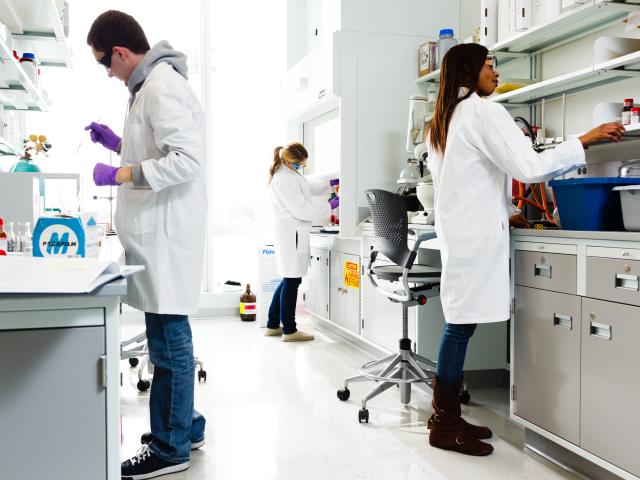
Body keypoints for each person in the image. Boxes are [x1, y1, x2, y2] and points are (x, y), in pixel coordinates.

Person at [425, 43, 623, 456]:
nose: (495, 72)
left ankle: (447, 417)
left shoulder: (443, 119)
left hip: (463, 233)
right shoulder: (482, 112)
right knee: (460, 326)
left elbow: (472, 178)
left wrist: (509, 210)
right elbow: (527, 168)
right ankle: (443, 423)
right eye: (489, 65)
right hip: (475, 237)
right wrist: (582, 141)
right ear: (470, 70)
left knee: (459, 322)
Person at [85, 11, 208, 479]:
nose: (108, 73)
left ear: (120, 52)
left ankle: (170, 448)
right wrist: (116, 143)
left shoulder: (161, 86)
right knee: (167, 338)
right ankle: (186, 426)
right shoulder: (147, 89)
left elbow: (186, 161)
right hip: (154, 238)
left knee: (170, 343)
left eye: (105, 63)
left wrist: (119, 172)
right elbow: (152, 148)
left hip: (167, 239)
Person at [266, 143, 337, 341]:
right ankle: (289, 330)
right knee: (292, 280)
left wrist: (331, 183)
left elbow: (307, 187)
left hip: (291, 233)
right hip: (292, 233)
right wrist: (329, 205)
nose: (301, 168)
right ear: (289, 162)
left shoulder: (288, 173)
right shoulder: (285, 179)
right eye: (299, 165)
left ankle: (272, 324)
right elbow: (302, 210)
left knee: (288, 278)